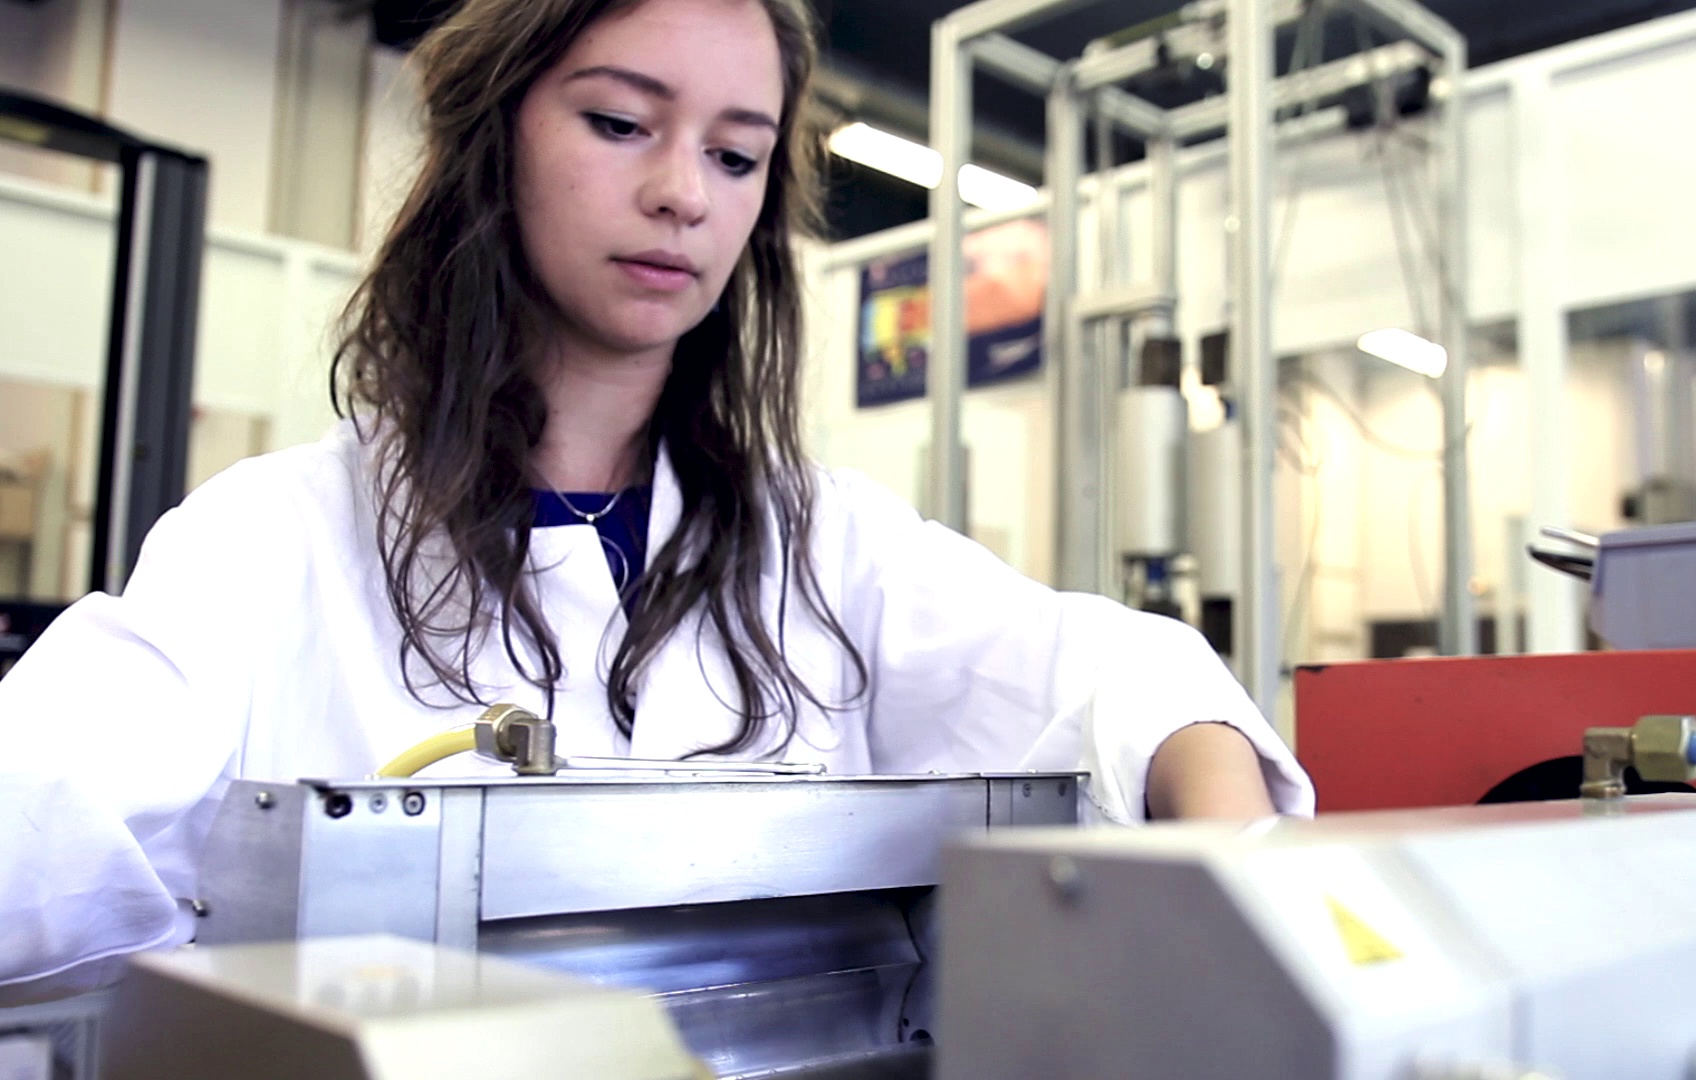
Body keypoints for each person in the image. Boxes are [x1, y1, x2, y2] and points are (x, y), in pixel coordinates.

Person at [0, 0, 1312, 996]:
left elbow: (1103, 677)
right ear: (492, 135)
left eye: (736, 157)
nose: (684, 193)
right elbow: (38, 824)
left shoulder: (822, 548)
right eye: (621, 123)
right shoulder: (269, 542)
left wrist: (1228, 843)